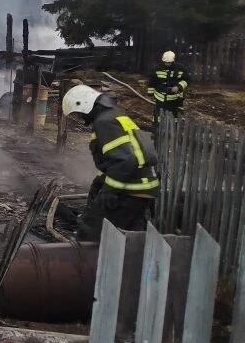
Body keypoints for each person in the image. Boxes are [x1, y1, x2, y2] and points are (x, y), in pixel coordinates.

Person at [62, 84, 159, 240]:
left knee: (92, 230)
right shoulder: (115, 115)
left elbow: (126, 160)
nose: (80, 118)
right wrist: (99, 182)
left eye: (79, 113)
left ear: (85, 105)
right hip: (143, 187)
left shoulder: (103, 122)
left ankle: (86, 255)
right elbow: (115, 160)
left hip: (131, 189)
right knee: (131, 237)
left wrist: (109, 192)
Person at [147, 50, 189, 129]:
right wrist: (150, 93)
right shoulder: (157, 69)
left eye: (169, 62)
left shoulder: (181, 68)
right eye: (166, 62)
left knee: (175, 117)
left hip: (175, 99)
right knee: (158, 117)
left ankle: (174, 130)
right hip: (160, 98)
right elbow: (152, 82)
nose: (167, 64)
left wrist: (178, 86)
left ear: (173, 61)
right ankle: (156, 130)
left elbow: (187, 80)